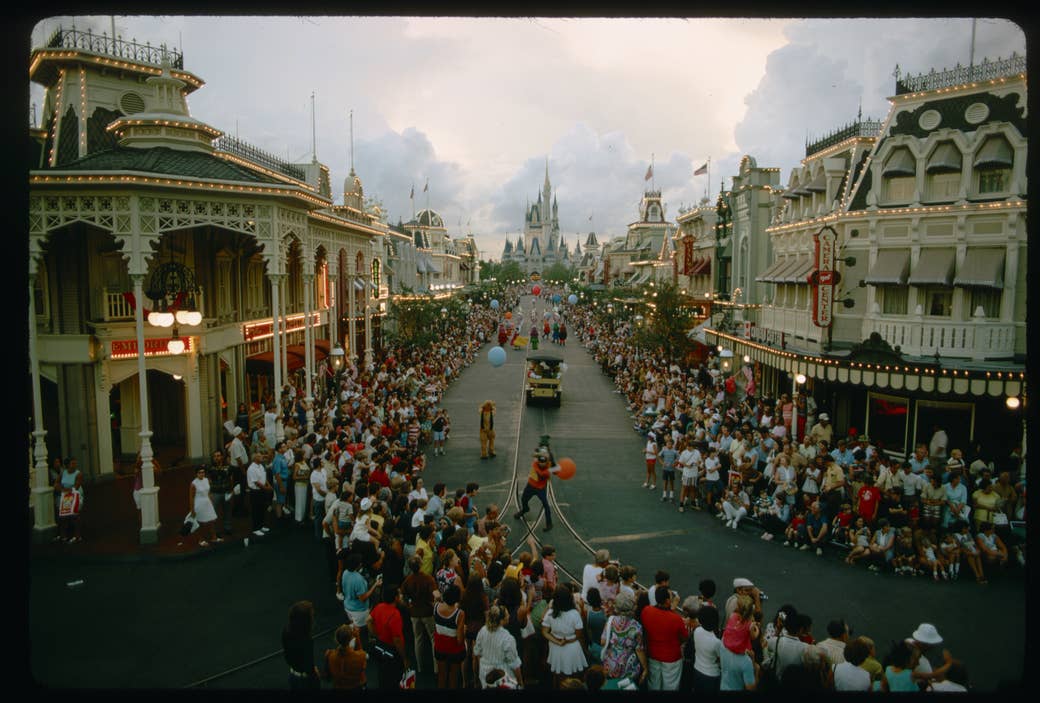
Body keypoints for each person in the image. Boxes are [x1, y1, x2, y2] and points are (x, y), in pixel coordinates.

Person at [641, 585, 687, 691]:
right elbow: (684, 637)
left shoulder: (646, 611)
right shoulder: (676, 618)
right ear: (667, 600)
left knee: (654, 684)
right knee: (671, 686)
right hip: (671, 657)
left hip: (653, 654)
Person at [599, 591, 649, 688]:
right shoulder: (636, 626)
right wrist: (645, 668)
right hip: (628, 666)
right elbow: (639, 650)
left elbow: (603, 642)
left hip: (611, 663)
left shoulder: (611, 620)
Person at [543, 584, 589, 687]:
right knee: (574, 674)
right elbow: (578, 634)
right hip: (572, 647)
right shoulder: (575, 614)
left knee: (557, 673)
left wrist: (557, 642)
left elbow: (545, 632)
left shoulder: (550, 613)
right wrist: (568, 640)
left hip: (556, 647)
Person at [401, 555, 438, 674]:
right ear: (421, 564)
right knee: (433, 638)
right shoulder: (428, 579)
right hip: (427, 612)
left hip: (414, 613)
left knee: (418, 639)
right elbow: (436, 596)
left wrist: (408, 605)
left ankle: (420, 667)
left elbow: (402, 596)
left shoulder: (408, 580)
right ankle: (436, 668)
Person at [370, 582, 410, 691]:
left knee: (382, 676)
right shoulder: (395, 614)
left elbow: (369, 620)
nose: (401, 596)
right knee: (395, 679)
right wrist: (404, 658)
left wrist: (375, 633)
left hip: (379, 647)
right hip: (392, 652)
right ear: (395, 597)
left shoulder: (379, 607)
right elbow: (397, 640)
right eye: (399, 594)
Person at [473, 604, 524, 689]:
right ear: (501, 620)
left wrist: (482, 668)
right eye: (507, 615)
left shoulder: (482, 631)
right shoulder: (508, 638)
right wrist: (520, 682)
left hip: (484, 674)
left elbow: (477, 653)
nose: (509, 616)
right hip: (503, 677)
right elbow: (515, 664)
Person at [513, 446, 560, 532]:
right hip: (530, 486)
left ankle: (549, 523)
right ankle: (525, 509)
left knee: (546, 505)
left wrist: (553, 463)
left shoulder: (544, 466)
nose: (542, 463)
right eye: (540, 461)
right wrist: (553, 464)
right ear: (538, 460)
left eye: (544, 461)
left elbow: (557, 471)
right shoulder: (537, 466)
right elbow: (551, 471)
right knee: (523, 499)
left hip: (541, 488)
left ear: (547, 460)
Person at [433, 583, 467, 689]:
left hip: (439, 646)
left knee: (442, 676)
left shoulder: (436, 607)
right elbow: (460, 639)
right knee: (453, 677)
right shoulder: (460, 614)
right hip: (454, 650)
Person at [282, 601, 320, 690]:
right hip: (305, 680)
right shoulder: (307, 640)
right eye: (311, 616)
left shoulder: (286, 630)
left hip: (293, 675)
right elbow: (308, 666)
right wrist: (316, 674)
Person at [323, 623, 367, 690]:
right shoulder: (361, 656)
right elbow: (360, 652)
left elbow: (327, 676)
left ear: (336, 639)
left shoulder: (329, 655)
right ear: (351, 638)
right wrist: (357, 637)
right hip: (357, 686)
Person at [54, 456, 84, 543]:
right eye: (72, 463)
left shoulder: (78, 474)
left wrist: (64, 490)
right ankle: (63, 536)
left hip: (76, 495)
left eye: (75, 463)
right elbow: (56, 484)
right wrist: (61, 489)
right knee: (62, 516)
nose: (75, 465)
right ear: (67, 465)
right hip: (65, 496)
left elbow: (76, 487)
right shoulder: (63, 473)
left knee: (75, 515)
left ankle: (77, 536)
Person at [188, 465, 220, 547]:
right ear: (196, 474)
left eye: (203, 472)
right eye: (199, 473)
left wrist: (211, 503)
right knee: (202, 523)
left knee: (212, 521)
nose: (201, 474)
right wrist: (192, 510)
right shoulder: (193, 484)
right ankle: (201, 540)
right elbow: (191, 498)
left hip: (207, 503)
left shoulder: (207, 480)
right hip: (199, 504)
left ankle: (214, 537)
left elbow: (208, 493)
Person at [206, 449, 234, 536]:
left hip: (226, 492)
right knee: (213, 512)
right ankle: (214, 530)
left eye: (218, 456)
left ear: (222, 457)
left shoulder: (228, 467)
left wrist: (232, 490)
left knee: (227, 511)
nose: (217, 458)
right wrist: (209, 493)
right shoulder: (209, 468)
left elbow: (231, 479)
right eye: (215, 456)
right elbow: (208, 481)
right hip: (215, 493)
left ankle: (227, 528)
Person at [245, 452, 272, 537]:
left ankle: (261, 526)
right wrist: (267, 489)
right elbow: (257, 482)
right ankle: (255, 529)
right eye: (259, 456)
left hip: (262, 490)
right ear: (255, 458)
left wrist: (269, 485)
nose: (262, 457)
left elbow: (264, 477)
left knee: (262, 508)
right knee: (256, 510)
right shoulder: (251, 468)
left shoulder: (261, 466)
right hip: (256, 492)